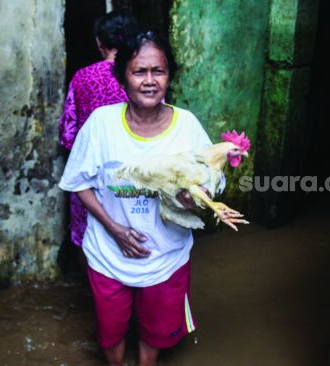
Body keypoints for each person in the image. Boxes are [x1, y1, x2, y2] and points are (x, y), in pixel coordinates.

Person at [59, 31, 239, 366]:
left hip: (166, 256)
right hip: (109, 255)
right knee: (110, 332)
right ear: (122, 76)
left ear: (170, 76)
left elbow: (209, 183)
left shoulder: (187, 126)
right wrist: (114, 229)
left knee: (155, 333)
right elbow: (78, 183)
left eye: (159, 71)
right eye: (139, 71)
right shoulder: (102, 125)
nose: (149, 81)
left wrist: (193, 199)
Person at [59, 11, 139, 254]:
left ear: (98, 42)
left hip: (92, 174)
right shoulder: (144, 76)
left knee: (90, 238)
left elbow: (68, 134)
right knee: (138, 236)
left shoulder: (82, 77)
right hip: (134, 173)